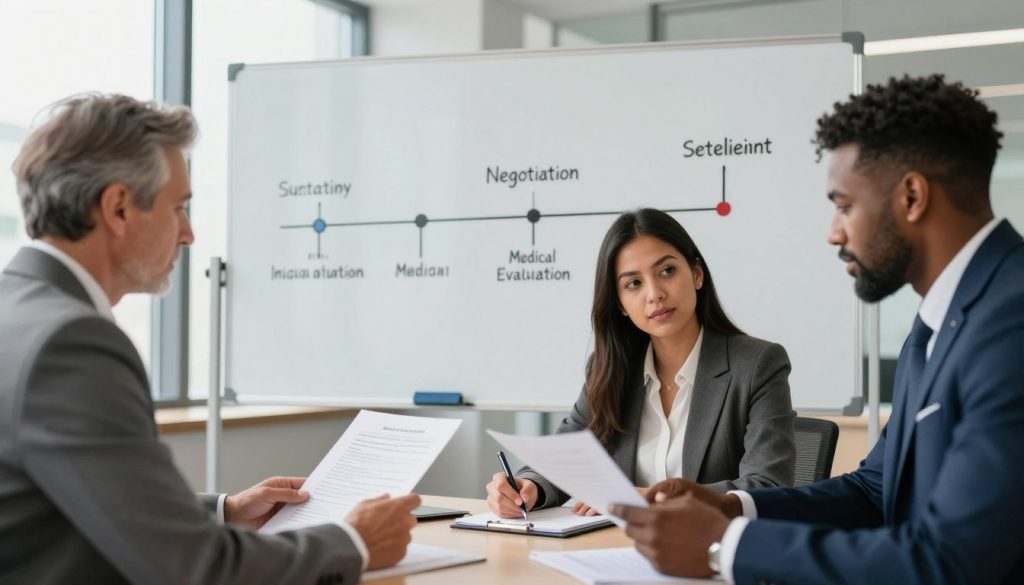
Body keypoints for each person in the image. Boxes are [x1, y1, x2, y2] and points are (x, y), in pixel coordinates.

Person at [610, 74, 1024, 584]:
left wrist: (725, 547)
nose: (834, 232)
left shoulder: (1011, 321)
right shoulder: (939, 320)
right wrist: (729, 507)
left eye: (845, 205)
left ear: (912, 196)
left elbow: (951, 559)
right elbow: (875, 491)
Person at [0, 93, 420, 584]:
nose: (188, 234)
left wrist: (223, 511)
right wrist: (354, 543)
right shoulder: (72, 344)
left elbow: (62, 498)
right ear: (117, 208)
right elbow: (197, 571)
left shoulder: (18, 309)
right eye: (179, 207)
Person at [486, 208, 796, 518]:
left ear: (696, 274)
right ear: (619, 303)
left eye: (667, 271)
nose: (655, 294)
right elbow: (565, 459)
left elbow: (768, 485)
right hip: (615, 552)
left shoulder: (757, 365)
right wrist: (528, 487)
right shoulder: (610, 370)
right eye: (634, 283)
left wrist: (652, 498)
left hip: (711, 554)